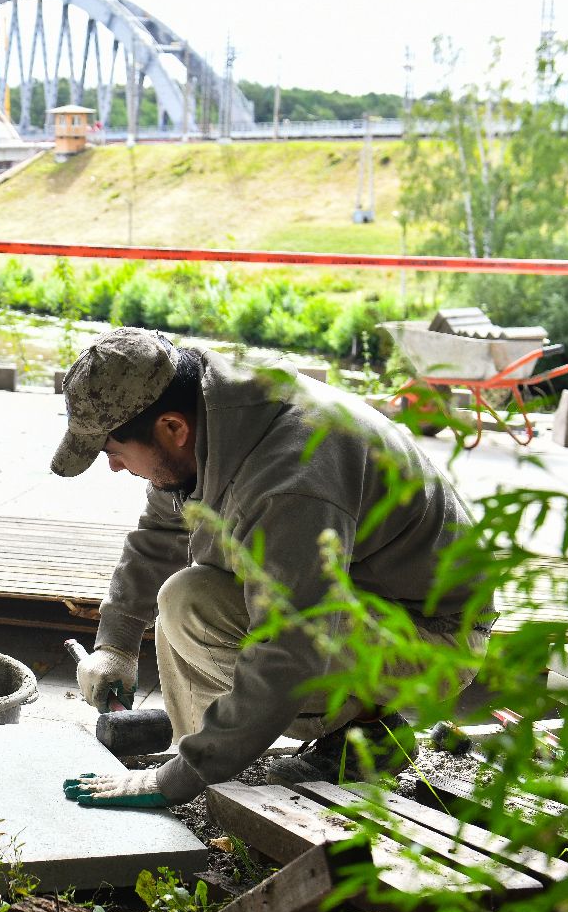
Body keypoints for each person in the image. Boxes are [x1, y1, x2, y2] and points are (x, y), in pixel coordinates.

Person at [54, 328, 491, 809]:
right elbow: (160, 534)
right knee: (185, 597)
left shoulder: (289, 482)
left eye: (115, 452)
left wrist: (174, 781)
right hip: (368, 601)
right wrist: (116, 644)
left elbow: (289, 652)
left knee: (200, 617)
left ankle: (353, 734)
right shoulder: (203, 411)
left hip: (435, 636)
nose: (115, 467)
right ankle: (318, 737)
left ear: (172, 428)